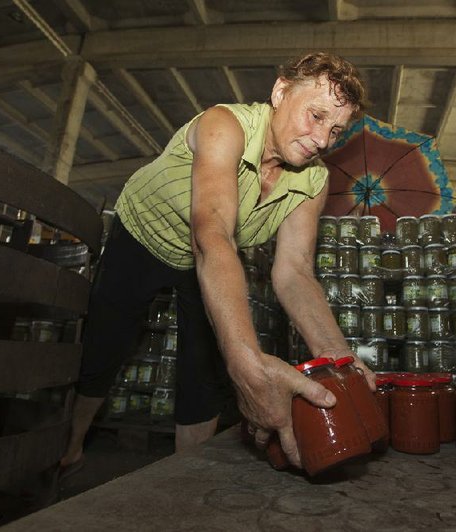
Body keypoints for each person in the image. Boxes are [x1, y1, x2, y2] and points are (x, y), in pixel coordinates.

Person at [59, 51, 374, 474]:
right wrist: (248, 362)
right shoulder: (225, 125)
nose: (322, 140)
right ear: (280, 92)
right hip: (144, 233)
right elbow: (211, 235)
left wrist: (338, 357)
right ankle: (72, 445)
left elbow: (294, 272)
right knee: (107, 343)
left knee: (204, 372)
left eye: (335, 130)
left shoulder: (314, 181)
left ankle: (183, 476)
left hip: (203, 261)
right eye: (315, 116)